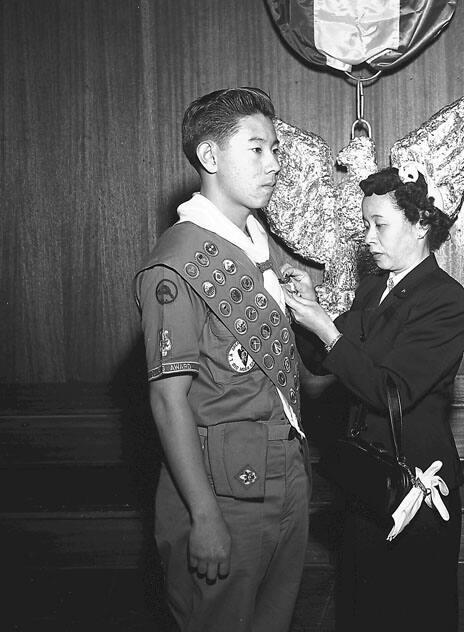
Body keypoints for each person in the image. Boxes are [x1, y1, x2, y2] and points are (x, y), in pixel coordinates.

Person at [134, 87, 309, 632]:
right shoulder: (178, 261)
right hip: (220, 489)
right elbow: (167, 401)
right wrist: (204, 515)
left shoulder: (254, 245)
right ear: (210, 157)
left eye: (275, 150)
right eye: (257, 149)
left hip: (283, 472)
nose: (274, 165)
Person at [281, 164, 464, 632]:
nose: (368, 237)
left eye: (379, 225)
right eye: (366, 224)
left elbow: (392, 392)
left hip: (415, 489)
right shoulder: (375, 288)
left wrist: (326, 328)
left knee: (415, 613)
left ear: (422, 225)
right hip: (367, 481)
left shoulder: (446, 299)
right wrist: (311, 310)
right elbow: (323, 360)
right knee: (364, 610)